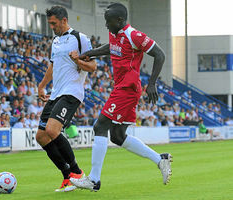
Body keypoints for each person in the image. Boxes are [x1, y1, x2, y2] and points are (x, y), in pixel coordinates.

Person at [70, 3, 172, 191]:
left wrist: (152, 83)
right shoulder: (115, 33)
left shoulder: (135, 35)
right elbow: (113, 47)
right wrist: (91, 53)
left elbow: (160, 54)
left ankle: (93, 180)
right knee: (117, 136)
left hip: (128, 87)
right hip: (122, 87)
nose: (106, 26)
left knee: (100, 125)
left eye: (108, 22)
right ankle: (160, 160)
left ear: (120, 20)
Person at [35, 5, 97, 192]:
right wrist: (41, 85)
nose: (52, 26)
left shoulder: (80, 38)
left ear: (64, 20)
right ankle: (67, 177)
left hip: (72, 91)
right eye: (50, 23)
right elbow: (53, 66)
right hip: (56, 93)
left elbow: (93, 67)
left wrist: (78, 61)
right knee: (41, 136)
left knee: (53, 130)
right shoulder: (56, 41)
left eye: (54, 23)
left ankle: (77, 173)